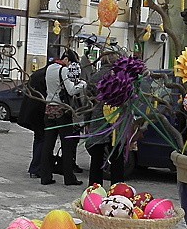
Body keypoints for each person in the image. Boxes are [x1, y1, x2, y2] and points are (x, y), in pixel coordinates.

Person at [38, 50, 87, 186]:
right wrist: (82, 84)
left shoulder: (49, 68)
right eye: (70, 62)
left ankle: (45, 176)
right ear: (66, 59)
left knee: (48, 144)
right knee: (67, 144)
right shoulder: (63, 70)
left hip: (49, 108)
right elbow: (71, 90)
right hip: (62, 110)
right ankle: (69, 178)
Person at [86, 50, 126, 186]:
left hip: (98, 120)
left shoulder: (95, 77)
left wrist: (87, 121)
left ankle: (95, 188)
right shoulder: (123, 76)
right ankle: (117, 189)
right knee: (117, 157)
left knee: (96, 157)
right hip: (118, 121)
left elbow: (88, 102)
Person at [18, 62, 50, 178]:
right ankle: (36, 167)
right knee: (42, 140)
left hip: (31, 111)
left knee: (38, 139)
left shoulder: (37, 74)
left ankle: (34, 167)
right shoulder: (46, 75)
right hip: (39, 111)